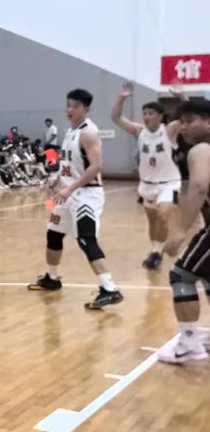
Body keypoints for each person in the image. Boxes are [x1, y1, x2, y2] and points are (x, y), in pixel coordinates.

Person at [29, 89, 123, 310]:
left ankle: (110, 289)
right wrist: (56, 179)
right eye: (68, 105)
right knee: (53, 234)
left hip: (86, 195)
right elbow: (69, 164)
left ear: (86, 109)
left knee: (86, 239)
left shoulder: (88, 133)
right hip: (67, 193)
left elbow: (96, 166)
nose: (70, 110)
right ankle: (52, 278)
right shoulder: (70, 131)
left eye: (75, 106)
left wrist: (69, 188)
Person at [157, 99, 210, 363]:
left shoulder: (201, 149)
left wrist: (179, 230)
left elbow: (199, 187)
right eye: (182, 122)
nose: (184, 127)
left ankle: (189, 344)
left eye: (191, 121)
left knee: (181, 275)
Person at [111, 83, 183, 271]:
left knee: (163, 215)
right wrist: (122, 98)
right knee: (152, 221)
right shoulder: (139, 131)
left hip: (169, 184)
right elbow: (116, 117)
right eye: (144, 113)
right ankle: (155, 251)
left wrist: (182, 96)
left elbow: (187, 115)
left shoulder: (169, 130)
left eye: (150, 113)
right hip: (147, 185)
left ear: (160, 116)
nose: (146, 116)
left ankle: (158, 252)